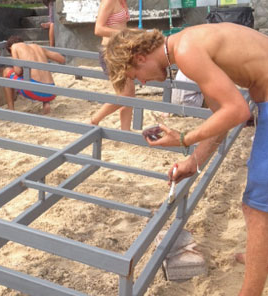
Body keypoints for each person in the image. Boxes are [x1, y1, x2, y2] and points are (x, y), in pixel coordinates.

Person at [104, 23, 268, 296]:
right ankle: (259, 257)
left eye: (136, 75)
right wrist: (194, 161)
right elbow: (221, 117)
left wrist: (184, 138)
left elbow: (238, 111)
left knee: (257, 208)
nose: (142, 82)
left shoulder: (187, 50)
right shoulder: (188, 42)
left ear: (140, 58)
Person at [90, 0, 134, 130]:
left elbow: (120, 26)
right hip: (110, 52)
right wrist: (125, 34)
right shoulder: (109, 1)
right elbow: (98, 29)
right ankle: (94, 120)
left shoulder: (122, 2)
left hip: (122, 51)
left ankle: (125, 131)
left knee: (130, 94)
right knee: (125, 95)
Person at [0, 36, 65, 114]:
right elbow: (61, 59)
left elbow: (18, 71)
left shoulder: (14, 47)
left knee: (6, 71)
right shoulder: (37, 46)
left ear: (10, 48)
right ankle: (46, 103)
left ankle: (11, 110)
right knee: (41, 73)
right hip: (51, 91)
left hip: (33, 91)